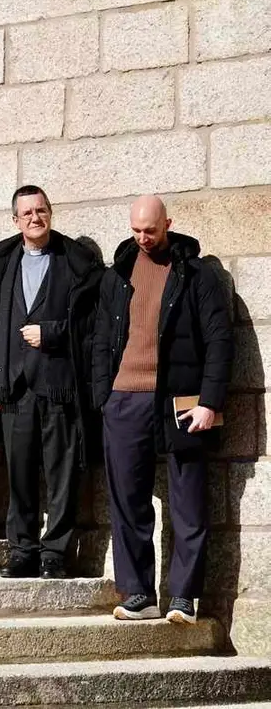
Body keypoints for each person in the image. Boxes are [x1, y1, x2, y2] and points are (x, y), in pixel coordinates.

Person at [92, 195, 233, 623]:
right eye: (136, 230)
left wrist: (210, 402)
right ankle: (138, 594)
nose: (142, 238)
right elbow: (100, 338)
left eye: (150, 230)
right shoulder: (117, 274)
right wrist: (105, 395)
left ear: (167, 223)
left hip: (180, 401)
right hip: (125, 399)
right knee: (127, 502)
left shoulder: (197, 273)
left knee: (188, 500)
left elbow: (219, 341)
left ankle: (184, 598)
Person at [0, 186, 102, 579]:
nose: (35, 218)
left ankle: (55, 553)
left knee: (61, 474)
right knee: (18, 474)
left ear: (51, 213)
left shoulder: (77, 262)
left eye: (41, 210)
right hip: (14, 386)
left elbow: (92, 326)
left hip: (57, 385)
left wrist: (52, 333)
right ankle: (22, 551)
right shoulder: (0, 261)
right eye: (27, 213)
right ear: (15, 220)